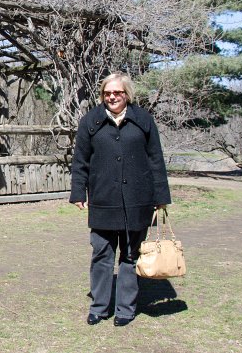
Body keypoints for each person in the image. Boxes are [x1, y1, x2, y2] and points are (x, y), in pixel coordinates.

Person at [69, 72, 170, 327]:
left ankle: (125, 309)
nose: (112, 97)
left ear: (127, 94)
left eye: (117, 93)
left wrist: (160, 197)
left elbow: (156, 160)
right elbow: (80, 160)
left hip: (138, 200)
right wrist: (78, 192)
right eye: (107, 93)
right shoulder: (90, 121)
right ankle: (100, 307)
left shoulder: (143, 121)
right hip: (103, 199)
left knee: (129, 256)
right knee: (101, 254)